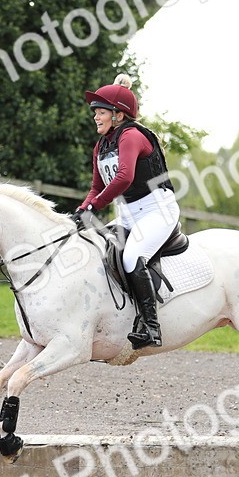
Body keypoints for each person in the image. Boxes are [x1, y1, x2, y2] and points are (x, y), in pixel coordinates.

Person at [73, 73, 180, 349]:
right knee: (100, 250)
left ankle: (151, 327)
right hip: (130, 213)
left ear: (118, 115)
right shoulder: (102, 145)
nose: (96, 117)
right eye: (95, 112)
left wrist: (95, 206)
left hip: (158, 209)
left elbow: (124, 177)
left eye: (101, 112)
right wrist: (83, 209)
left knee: (132, 256)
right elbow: (97, 186)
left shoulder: (131, 136)